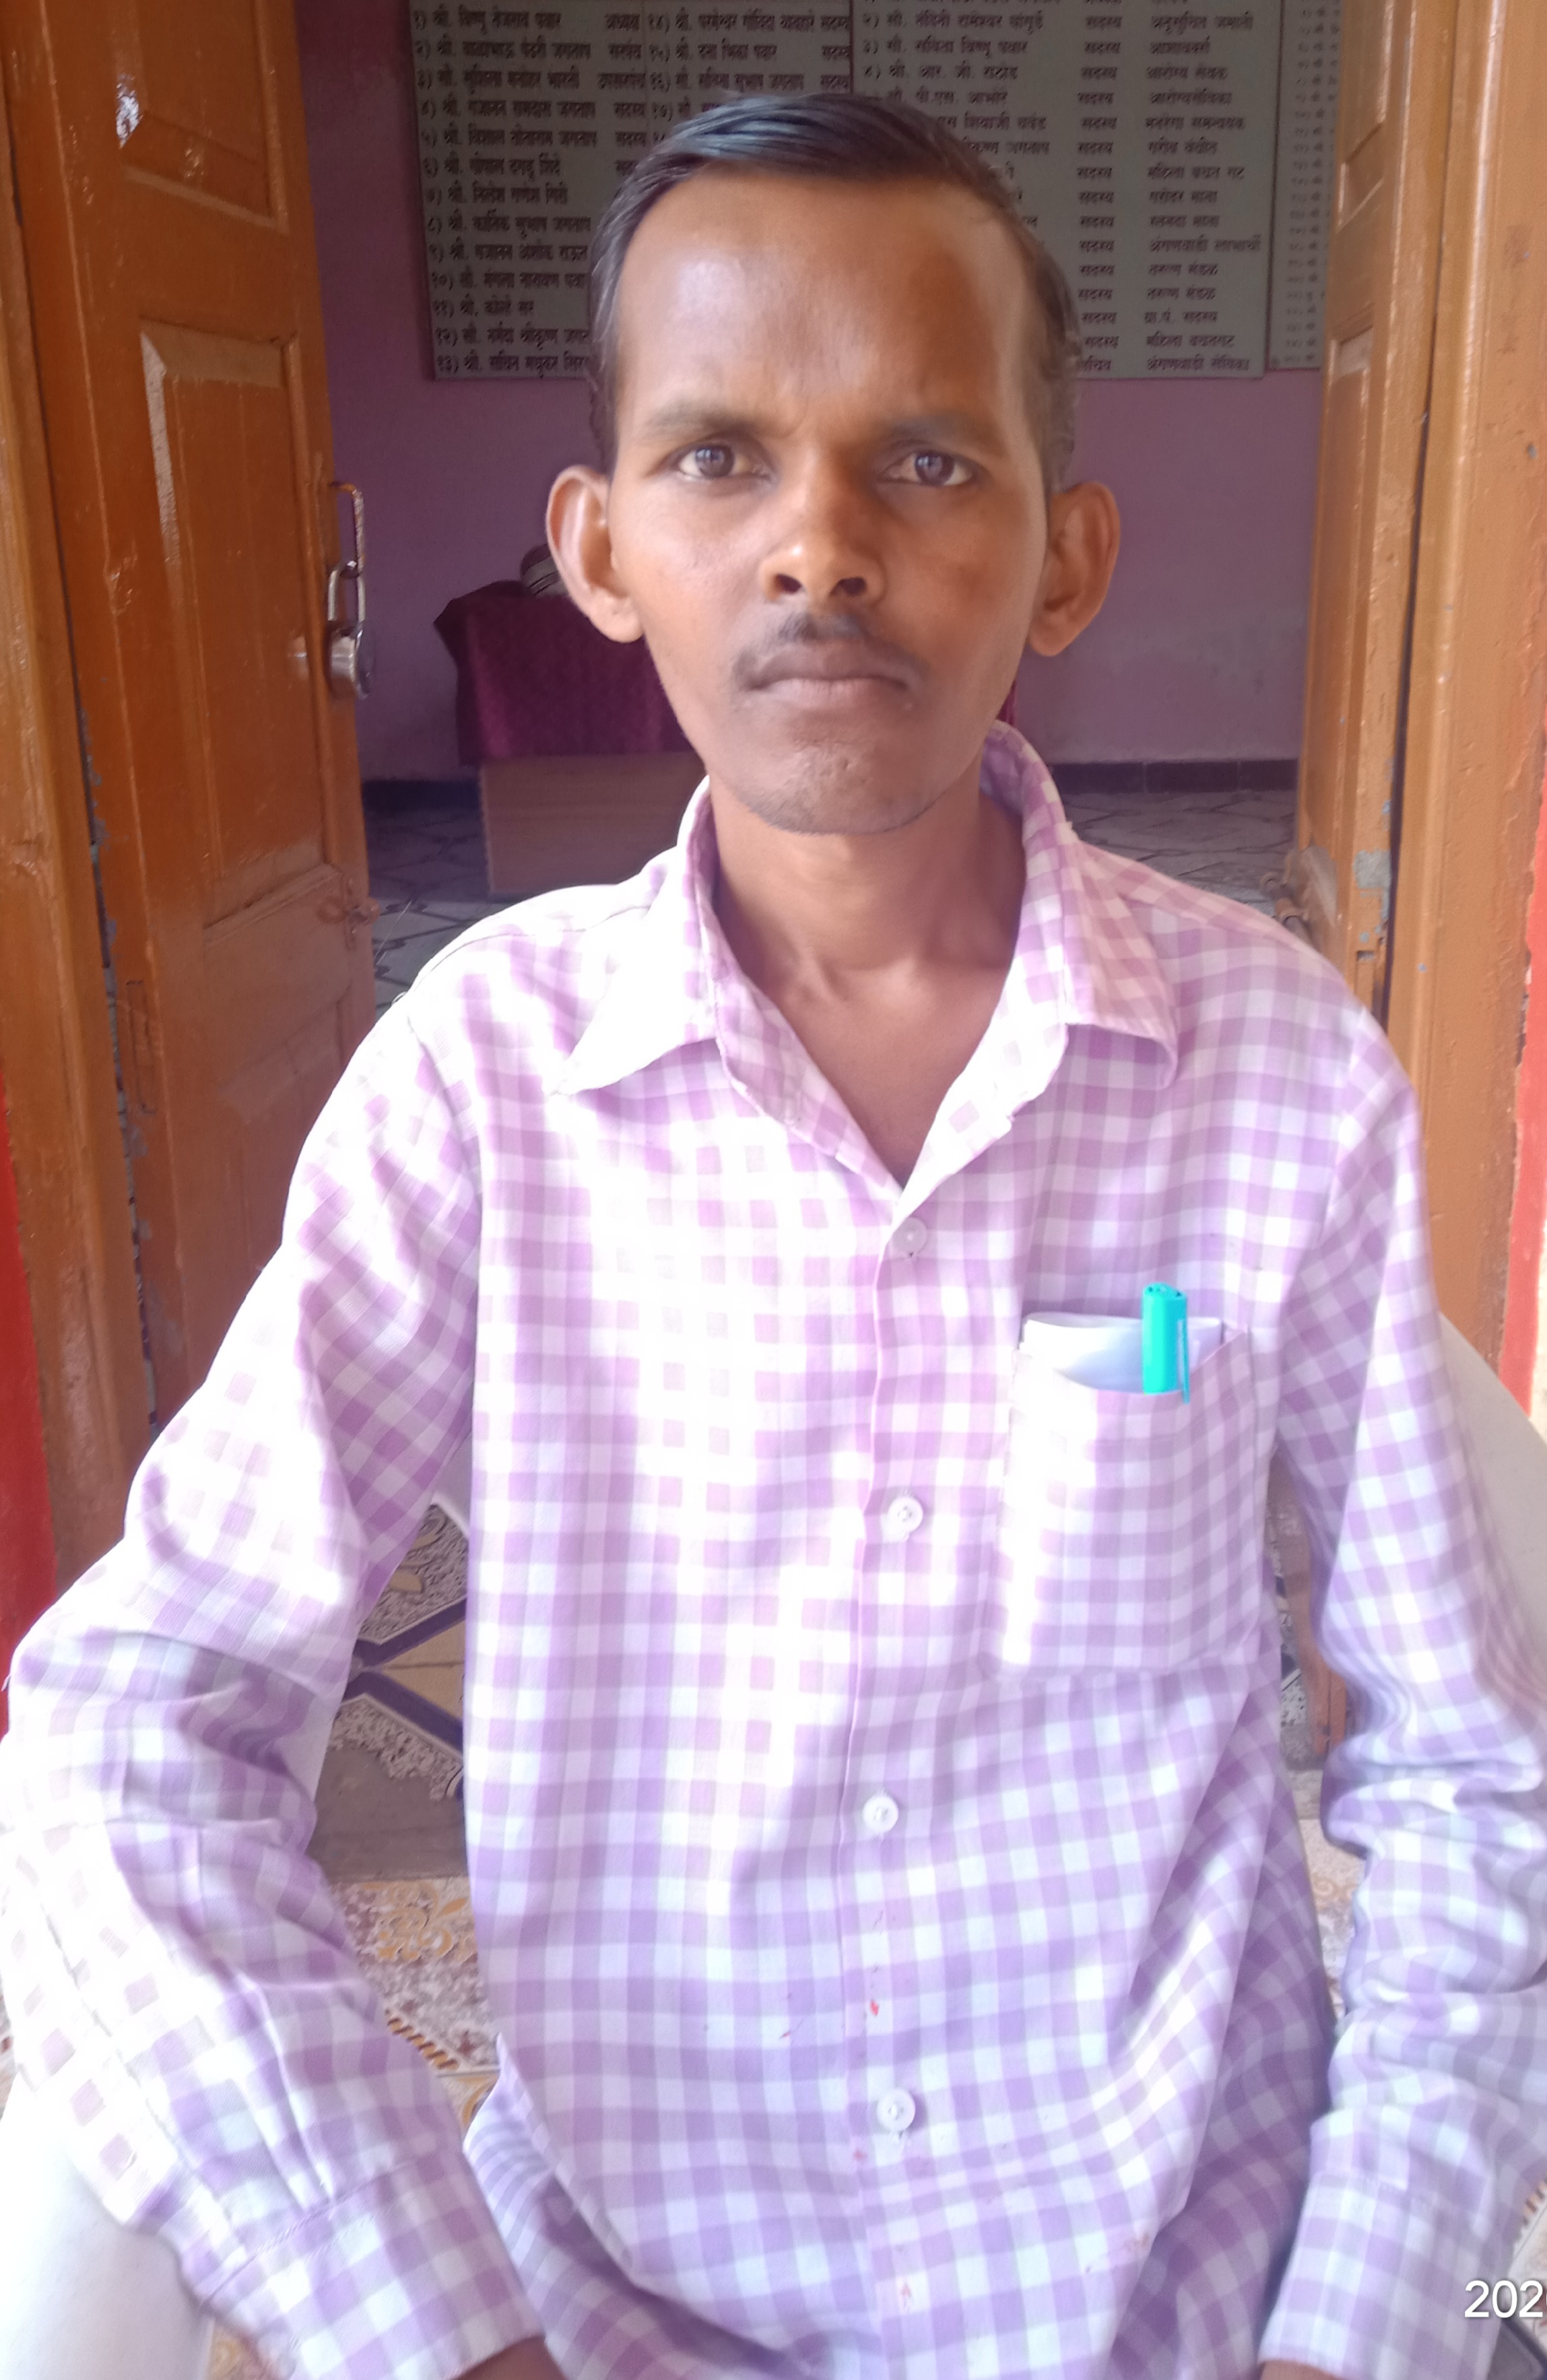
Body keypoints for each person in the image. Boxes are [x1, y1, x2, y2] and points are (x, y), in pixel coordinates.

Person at [2, 93, 1545, 2380]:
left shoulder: (1279, 1078)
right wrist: (431, 2331)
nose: (819, 545)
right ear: (600, 548)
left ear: (1064, 557)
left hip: (1184, 2295)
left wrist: (1359, 2328)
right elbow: (142, 1728)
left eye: (924, 460)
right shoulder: (481, 1087)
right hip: (615, 2308)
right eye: (720, 457)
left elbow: (1480, 1771)